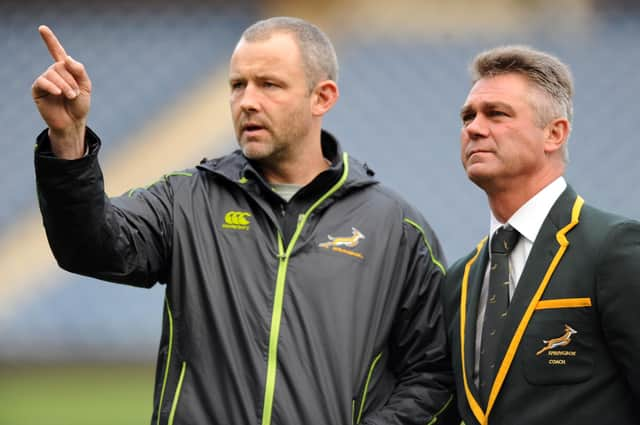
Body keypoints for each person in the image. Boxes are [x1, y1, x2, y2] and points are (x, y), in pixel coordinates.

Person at [32, 17, 458, 425]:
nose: (247, 101)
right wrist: (68, 141)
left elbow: (433, 375)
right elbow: (89, 248)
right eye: (238, 85)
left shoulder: (396, 228)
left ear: (322, 97)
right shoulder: (187, 199)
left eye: (269, 84)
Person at [441, 45, 640, 425]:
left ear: (554, 133)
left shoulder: (614, 249)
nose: (474, 128)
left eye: (496, 114)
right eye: (468, 116)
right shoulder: (461, 279)